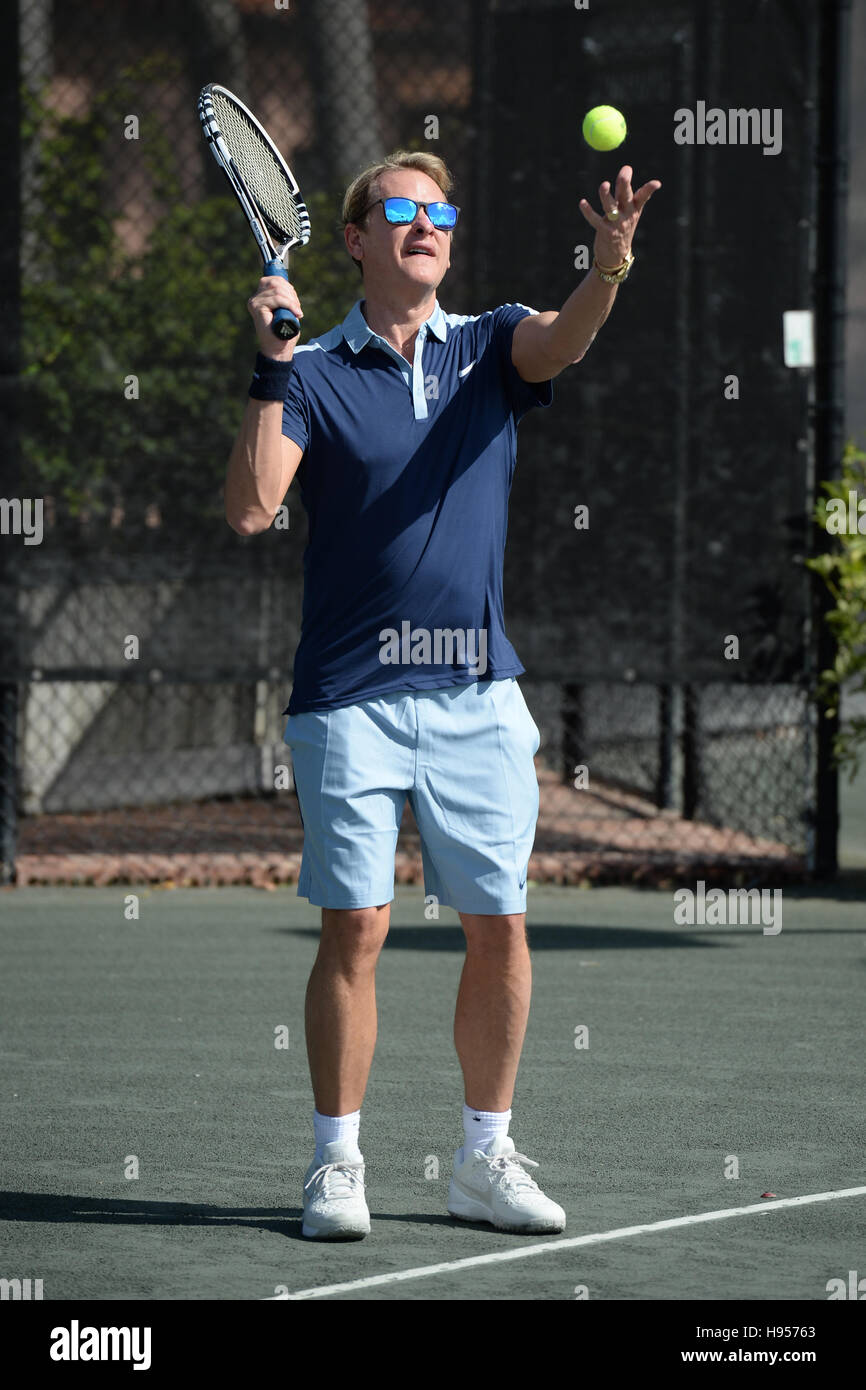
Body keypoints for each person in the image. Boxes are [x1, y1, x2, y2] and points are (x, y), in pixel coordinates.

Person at [225, 150, 660, 1240]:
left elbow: (558, 339)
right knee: (358, 928)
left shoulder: (486, 342)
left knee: (498, 928)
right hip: (347, 698)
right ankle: (336, 1166)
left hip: (474, 694)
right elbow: (250, 505)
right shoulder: (314, 368)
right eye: (401, 210)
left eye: (440, 211)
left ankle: (481, 1158)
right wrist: (271, 363)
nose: (426, 223)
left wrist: (605, 270)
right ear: (356, 241)